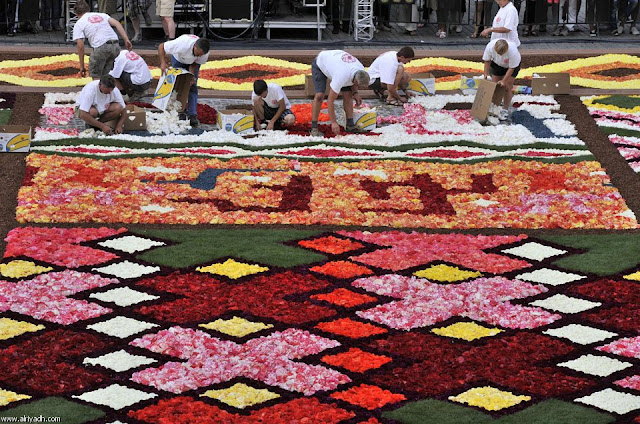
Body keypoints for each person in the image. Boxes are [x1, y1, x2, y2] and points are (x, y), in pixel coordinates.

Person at [310, 50, 370, 136]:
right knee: (320, 95)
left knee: (348, 94)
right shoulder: (341, 76)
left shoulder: (361, 70)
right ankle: (314, 127)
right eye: (359, 85)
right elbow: (330, 101)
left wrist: (355, 93)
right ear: (356, 81)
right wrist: (334, 122)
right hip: (321, 62)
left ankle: (350, 125)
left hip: (338, 62)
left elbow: (354, 82)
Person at [158, 34, 210, 127]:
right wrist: (163, 63)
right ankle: (180, 111)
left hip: (192, 63)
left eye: (200, 55)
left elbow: (195, 62)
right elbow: (161, 46)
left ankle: (192, 115)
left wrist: (192, 75)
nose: (199, 55)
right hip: (179, 59)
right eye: (197, 53)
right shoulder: (182, 43)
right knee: (179, 84)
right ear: (194, 46)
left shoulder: (204, 53)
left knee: (192, 86)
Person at [73, 0, 132, 79]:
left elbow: (80, 46)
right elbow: (117, 23)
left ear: (76, 13)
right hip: (115, 45)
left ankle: (98, 90)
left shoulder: (79, 23)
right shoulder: (102, 15)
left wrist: (81, 66)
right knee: (108, 75)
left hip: (101, 47)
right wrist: (126, 39)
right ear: (88, 9)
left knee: (96, 75)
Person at [482, 39, 521, 122]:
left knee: (507, 86)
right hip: (496, 64)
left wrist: (503, 80)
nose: (500, 55)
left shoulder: (513, 52)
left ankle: (505, 109)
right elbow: (487, 60)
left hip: (511, 67)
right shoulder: (490, 47)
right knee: (495, 86)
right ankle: (494, 108)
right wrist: (485, 74)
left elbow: (511, 68)